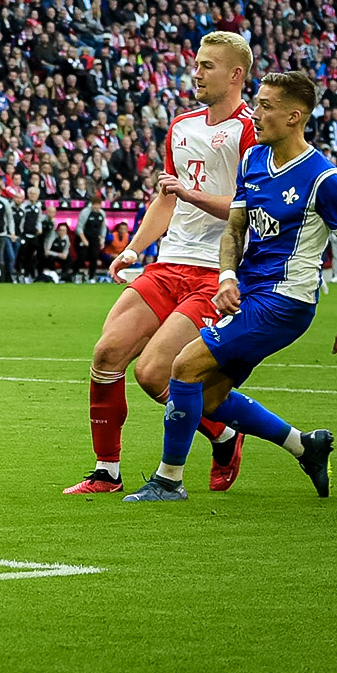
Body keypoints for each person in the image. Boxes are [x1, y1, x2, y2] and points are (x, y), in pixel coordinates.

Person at [124, 71, 337, 502]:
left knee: (182, 366)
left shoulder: (322, 178)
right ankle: (304, 445)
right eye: (257, 103)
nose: (256, 113)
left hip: (284, 300)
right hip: (249, 290)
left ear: (294, 117)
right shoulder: (254, 161)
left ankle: (168, 481)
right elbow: (235, 228)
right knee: (212, 396)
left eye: (266, 106)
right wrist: (229, 277)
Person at [66, 32, 254, 496]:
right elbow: (167, 200)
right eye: (196, 63)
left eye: (208, 65)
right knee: (107, 354)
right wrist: (134, 247)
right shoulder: (182, 126)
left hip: (217, 271)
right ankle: (106, 471)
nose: (197, 72)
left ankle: (225, 433)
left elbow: (247, 207)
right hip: (169, 263)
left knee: (154, 374)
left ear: (235, 74)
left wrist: (190, 194)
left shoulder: (253, 130)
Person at [15, 187, 46, 282]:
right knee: (21, 255)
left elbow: (39, 220)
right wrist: (21, 233)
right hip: (24, 235)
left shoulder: (38, 207)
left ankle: (28, 275)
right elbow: (21, 221)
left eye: (35, 194)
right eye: (31, 194)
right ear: (28, 195)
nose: (33, 196)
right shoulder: (24, 206)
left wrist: (39, 229)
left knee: (30, 256)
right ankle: (19, 274)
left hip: (33, 235)